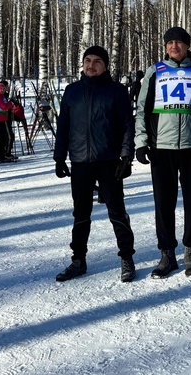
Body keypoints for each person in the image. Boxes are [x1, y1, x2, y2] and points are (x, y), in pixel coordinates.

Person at [135, 26, 191, 278]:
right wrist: (141, 141)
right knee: (163, 203)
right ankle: (167, 253)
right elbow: (142, 108)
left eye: (179, 43)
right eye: (170, 43)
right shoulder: (155, 71)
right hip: (162, 146)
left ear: (187, 45)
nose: (174, 47)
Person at [53, 46, 137, 283]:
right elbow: (63, 127)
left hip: (109, 161)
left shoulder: (116, 91)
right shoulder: (72, 92)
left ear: (105, 65)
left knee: (117, 212)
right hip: (80, 161)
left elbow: (126, 125)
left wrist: (126, 157)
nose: (91, 65)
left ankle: (127, 258)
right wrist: (59, 157)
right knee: (80, 213)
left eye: (97, 61)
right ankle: (78, 260)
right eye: (87, 60)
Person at [0, 82, 15, 164]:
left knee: (3, 138)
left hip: (3, 119)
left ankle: (2, 155)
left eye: (4, 88)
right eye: (1, 89)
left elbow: (6, 106)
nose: (2, 90)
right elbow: (3, 106)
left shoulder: (2, 96)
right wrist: (10, 103)